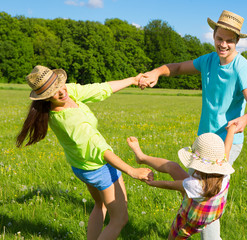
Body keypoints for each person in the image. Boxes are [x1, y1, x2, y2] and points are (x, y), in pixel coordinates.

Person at [140, 10, 247, 239]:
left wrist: (244, 119)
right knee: (197, 193)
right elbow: (175, 68)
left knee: (204, 193)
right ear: (214, 36)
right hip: (204, 142)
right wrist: (156, 72)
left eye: (229, 40)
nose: (223, 44)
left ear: (237, 41)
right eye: (219, 38)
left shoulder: (242, 68)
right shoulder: (208, 60)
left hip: (226, 142)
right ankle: (187, 227)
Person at [16, 65, 153, 240]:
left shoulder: (68, 93)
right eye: (53, 92)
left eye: (60, 85)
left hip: (82, 166)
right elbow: (100, 149)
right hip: (97, 168)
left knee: (100, 205)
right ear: (45, 98)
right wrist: (133, 171)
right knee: (120, 219)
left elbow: (99, 89)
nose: (61, 92)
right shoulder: (71, 120)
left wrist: (133, 80)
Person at [127, 124, 236, 239]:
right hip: (210, 212)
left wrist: (151, 182)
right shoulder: (224, 172)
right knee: (173, 167)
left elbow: (169, 185)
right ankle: (141, 157)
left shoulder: (194, 185)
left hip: (189, 222)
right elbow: (227, 148)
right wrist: (231, 130)